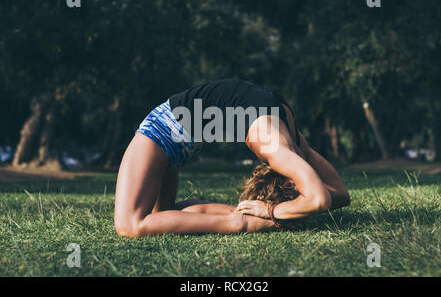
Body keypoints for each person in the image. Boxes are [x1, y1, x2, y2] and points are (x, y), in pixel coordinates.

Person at [114, 79, 350, 237]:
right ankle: (243, 219)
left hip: (170, 134)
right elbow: (323, 199)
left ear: (290, 184)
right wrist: (274, 212)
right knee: (152, 218)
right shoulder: (278, 149)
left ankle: (241, 220)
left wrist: (270, 211)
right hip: (166, 130)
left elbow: (334, 196)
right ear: (290, 184)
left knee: (131, 225)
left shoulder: (288, 145)